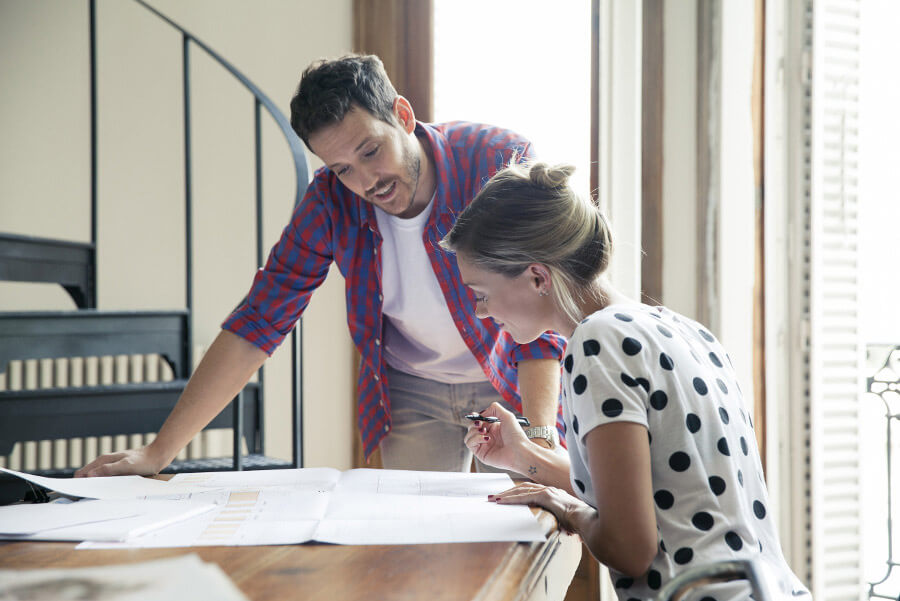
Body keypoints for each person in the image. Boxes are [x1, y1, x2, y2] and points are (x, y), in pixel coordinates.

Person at [75, 54, 564, 478]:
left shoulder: (496, 158)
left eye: (371, 151)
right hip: (410, 388)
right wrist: (159, 452)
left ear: (403, 115)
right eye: (342, 168)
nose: (367, 181)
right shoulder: (330, 202)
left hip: (509, 372)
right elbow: (259, 321)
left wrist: (541, 436)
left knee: (522, 537)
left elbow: (541, 300)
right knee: (418, 553)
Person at [441, 161, 811, 601]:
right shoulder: (682, 330)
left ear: (538, 276)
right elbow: (655, 495)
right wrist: (523, 456)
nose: (481, 313)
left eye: (481, 294)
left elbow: (630, 549)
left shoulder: (597, 344)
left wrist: (569, 509)